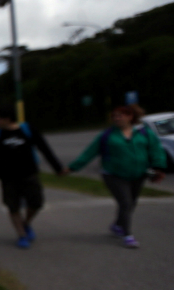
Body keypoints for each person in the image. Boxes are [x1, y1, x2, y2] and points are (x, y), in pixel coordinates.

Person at [67, 104, 166, 248]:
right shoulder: (107, 135)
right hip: (113, 175)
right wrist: (71, 168)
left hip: (138, 174)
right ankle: (128, 235)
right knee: (125, 202)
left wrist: (159, 167)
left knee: (131, 203)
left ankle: (118, 225)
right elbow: (89, 153)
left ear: (130, 117)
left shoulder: (144, 133)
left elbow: (156, 149)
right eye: (114, 116)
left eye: (120, 115)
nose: (116, 118)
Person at [0, 105, 65, 249]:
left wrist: (57, 168)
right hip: (8, 178)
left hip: (29, 175)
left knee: (36, 203)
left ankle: (26, 224)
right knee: (13, 207)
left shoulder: (28, 130)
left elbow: (44, 148)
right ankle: (22, 235)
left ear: (7, 119)